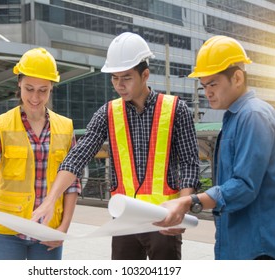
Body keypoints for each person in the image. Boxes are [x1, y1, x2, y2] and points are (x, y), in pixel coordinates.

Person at [32, 32, 200, 260]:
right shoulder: (107, 113)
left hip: (164, 218)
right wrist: (50, 201)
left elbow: (190, 163)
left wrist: (181, 208)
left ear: (145, 75)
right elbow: (77, 157)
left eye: (126, 77)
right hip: (124, 220)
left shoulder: (176, 110)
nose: (119, 85)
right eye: (114, 78)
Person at [155, 35, 275, 260]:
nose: (207, 92)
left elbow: (243, 185)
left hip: (258, 251)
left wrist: (189, 201)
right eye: (203, 86)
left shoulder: (253, 116)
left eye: (213, 84)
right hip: (241, 246)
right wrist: (187, 209)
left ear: (237, 78)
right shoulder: (236, 117)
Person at [0, 48, 81, 260]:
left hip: (48, 233)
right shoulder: (3, 125)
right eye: (29, 88)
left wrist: (64, 227)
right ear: (19, 84)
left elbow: (72, 182)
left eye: (43, 90)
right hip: (6, 233)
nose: (35, 97)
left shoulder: (66, 128)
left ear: (51, 88)